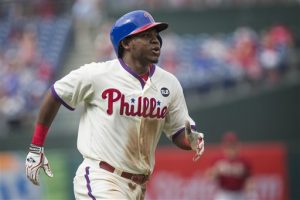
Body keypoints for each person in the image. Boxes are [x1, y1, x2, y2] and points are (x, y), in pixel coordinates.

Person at [25, 10, 205, 199]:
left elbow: (179, 133)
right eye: (146, 35)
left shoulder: (169, 83)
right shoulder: (98, 74)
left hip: (138, 186)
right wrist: (37, 147)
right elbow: (55, 94)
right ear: (126, 43)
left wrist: (191, 140)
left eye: (156, 35)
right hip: (101, 177)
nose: (155, 41)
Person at [206, 131, 251, 200]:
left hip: (239, 193)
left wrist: (250, 188)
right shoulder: (218, 159)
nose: (230, 149)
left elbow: (249, 180)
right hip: (224, 193)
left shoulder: (244, 161)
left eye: (233, 146)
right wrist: (216, 171)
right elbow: (210, 176)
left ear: (237, 146)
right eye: (228, 146)